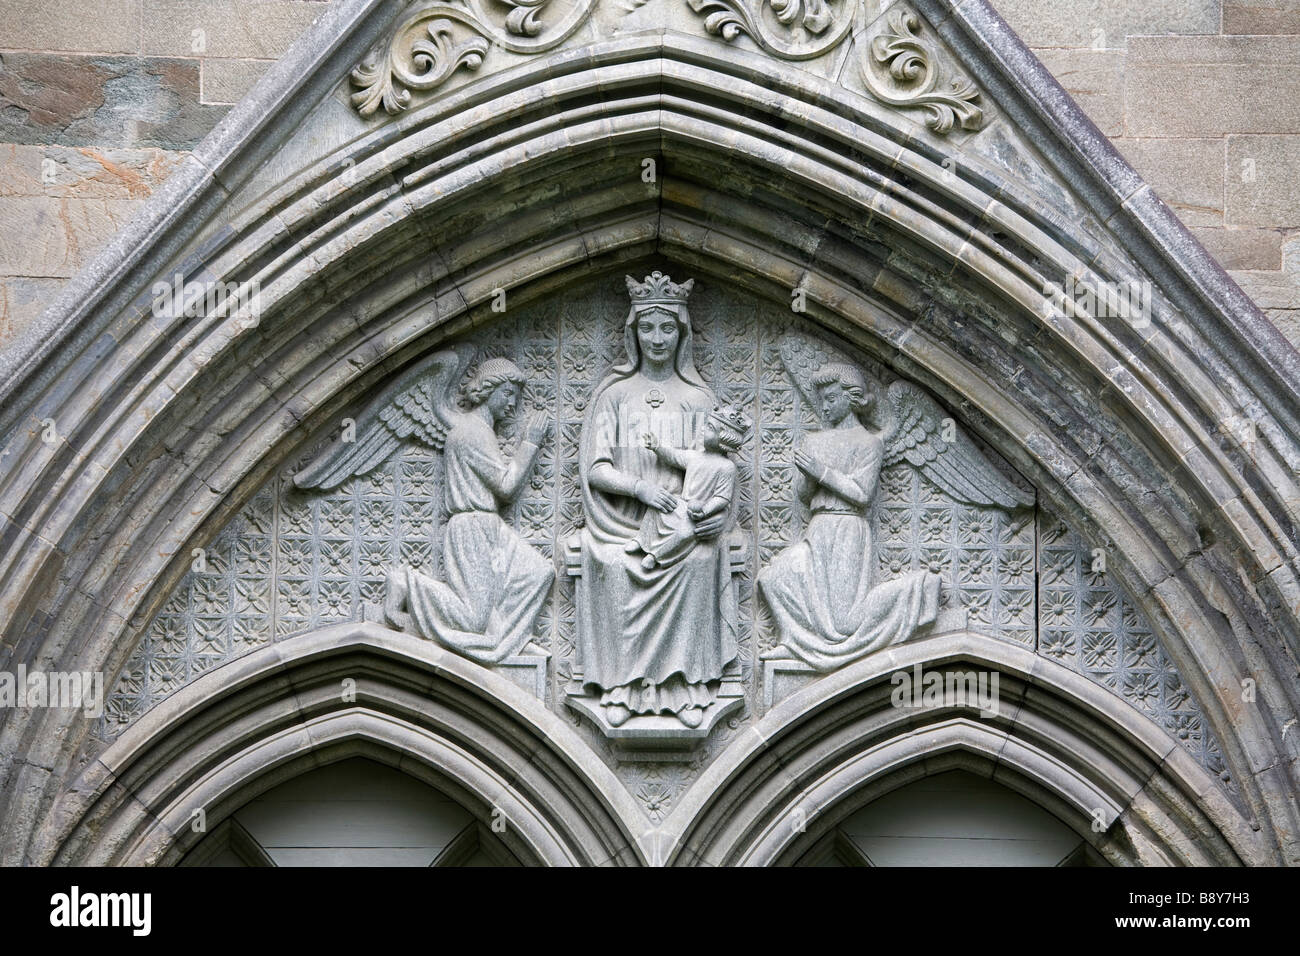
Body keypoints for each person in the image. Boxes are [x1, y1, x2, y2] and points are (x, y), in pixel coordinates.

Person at [576, 273, 737, 729]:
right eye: (647, 328)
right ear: (633, 332)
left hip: (685, 527)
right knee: (609, 562)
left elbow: (722, 472)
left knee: (699, 562)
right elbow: (596, 470)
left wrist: (713, 521)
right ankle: (622, 687)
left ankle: (685, 685)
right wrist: (641, 489)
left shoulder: (699, 399)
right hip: (623, 525)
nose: (658, 338)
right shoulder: (614, 397)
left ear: (682, 332)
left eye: (667, 328)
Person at [758, 362, 940, 670]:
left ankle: (920, 588)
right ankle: (794, 643)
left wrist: (822, 471)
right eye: (821, 400)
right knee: (773, 577)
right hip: (818, 527)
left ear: (851, 397)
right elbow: (803, 496)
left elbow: (861, 495)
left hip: (848, 528)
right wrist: (809, 477)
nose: (825, 406)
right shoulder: (815, 441)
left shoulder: (868, 443)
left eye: (831, 398)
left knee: (844, 621)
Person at [385, 358, 554, 664]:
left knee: (538, 572)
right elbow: (505, 486)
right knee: (472, 618)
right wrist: (530, 443)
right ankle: (407, 583)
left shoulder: (481, 430)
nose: (513, 403)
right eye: (507, 393)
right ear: (487, 391)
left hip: (491, 527)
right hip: (471, 527)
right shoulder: (471, 432)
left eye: (516, 396)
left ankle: (507, 637)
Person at [626, 404, 750, 571]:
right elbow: (673, 457)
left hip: (697, 514)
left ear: (723, 438)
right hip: (682, 504)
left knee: (684, 534)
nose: (703, 429)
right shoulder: (695, 457)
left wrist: (705, 511)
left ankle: (655, 556)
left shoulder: (726, 467)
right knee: (657, 508)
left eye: (710, 428)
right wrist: (657, 447)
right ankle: (641, 540)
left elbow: (722, 497)